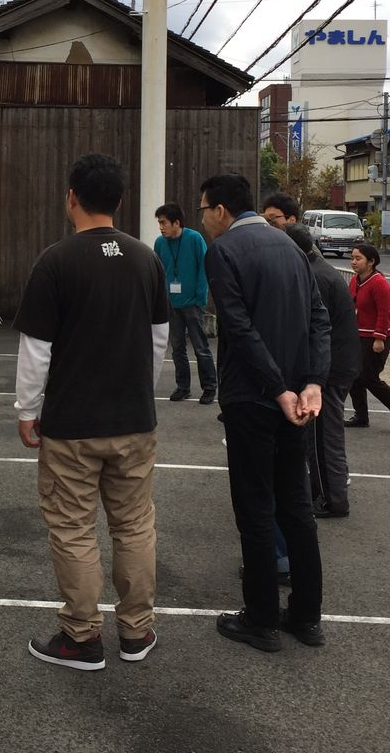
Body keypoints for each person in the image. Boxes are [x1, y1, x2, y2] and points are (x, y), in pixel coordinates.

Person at [14, 153, 170, 671]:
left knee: (73, 528)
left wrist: (26, 410)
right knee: (134, 525)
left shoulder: (55, 261)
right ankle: (136, 631)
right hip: (133, 419)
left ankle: (81, 638)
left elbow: (36, 349)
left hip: (72, 424)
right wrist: (140, 392)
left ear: (71, 197)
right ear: (120, 200)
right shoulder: (146, 259)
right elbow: (159, 339)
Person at [200, 173, 330, 652]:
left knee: (255, 507)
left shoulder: (223, 251)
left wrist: (276, 389)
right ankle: (306, 616)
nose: (204, 219)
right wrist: (311, 383)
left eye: (203, 210)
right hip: (297, 399)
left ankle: (261, 619)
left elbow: (237, 327)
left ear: (220, 210)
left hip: (253, 397)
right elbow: (319, 318)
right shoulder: (290, 246)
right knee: (296, 506)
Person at [282, 223, 361, 518]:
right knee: (319, 436)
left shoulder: (314, 275)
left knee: (323, 438)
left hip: (329, 369)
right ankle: (323, 492)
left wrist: (313, 377)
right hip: (336, 364)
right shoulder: (318, 269)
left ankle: (332, 499)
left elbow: (317, 331)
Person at [153, 203, 217, 405]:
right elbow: (158, 271)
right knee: (177, 347)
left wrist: (200, 297)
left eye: (163, 223)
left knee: (200, 347)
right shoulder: (160, 243)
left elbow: (204, 267)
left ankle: (209, 387)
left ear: (176, 223)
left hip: (193, 304)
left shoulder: (194, 238)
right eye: (159, 223)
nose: (161, 227)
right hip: (171, 304)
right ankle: (183, 387)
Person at [345, 244, 390, 431]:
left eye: (358, 258)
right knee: (354, 377)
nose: (353, 262)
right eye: (352, 258)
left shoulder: (378, 283)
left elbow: (384, 313)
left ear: (371, 261)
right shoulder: (355, 280)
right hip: (358, 335)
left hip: (374, 338)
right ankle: (361, 416)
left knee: (369, 377)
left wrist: (379, 337)